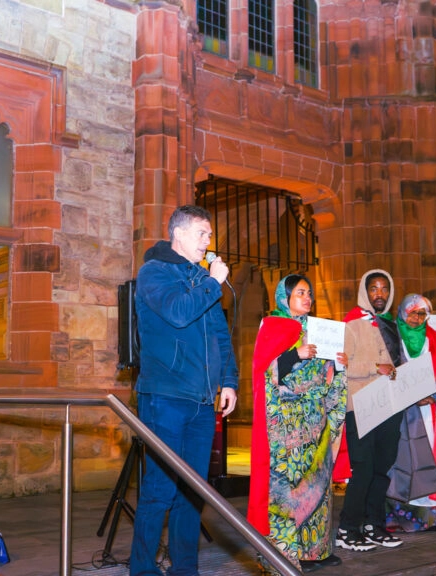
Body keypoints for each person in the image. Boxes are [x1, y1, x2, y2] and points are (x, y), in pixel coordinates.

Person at [131, 205, 238, 576]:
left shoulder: (201, 278)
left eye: (210, 235)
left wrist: (230, 381)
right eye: (202, 234)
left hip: (201, 401)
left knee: (193, 492)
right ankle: (142, 570)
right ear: (178, 233)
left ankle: (185, 570)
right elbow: (177, 312)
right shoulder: (153, 272)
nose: (208, 242)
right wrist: (212, 282)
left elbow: (221, 336)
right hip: (164, 396)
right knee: (159, 488)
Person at [247, 274, 347, 573]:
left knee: (317, 486)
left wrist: (339, 364)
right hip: (286, 428)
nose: (307, 298)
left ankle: (315, 551)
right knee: (289, 491)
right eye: (300, 292)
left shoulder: (318, 329)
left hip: (316, 423)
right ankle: (286, 554)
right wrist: (294, 354)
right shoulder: (273, 326)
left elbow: (328, 379)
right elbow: (263, 372)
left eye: (309, 293)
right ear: (285, 297)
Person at [335, 270, 402, 552]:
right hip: (360, 406)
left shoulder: (391, 325)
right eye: (373, 288)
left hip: (389, 407)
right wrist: (377, 368)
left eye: (384, 289)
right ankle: (347, 528)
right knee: (362, 469)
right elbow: (341, 367)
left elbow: (398, 366)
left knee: (381, 469)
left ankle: (375, 525)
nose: (379, 294)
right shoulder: (350, 324)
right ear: (365, 291)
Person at [384, 294, 436, 532]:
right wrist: (411, 395)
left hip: (432, 410)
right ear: (402, 312)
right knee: (402, 460)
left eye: (421, 314)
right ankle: (400, 515)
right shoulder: (391, 337)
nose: (416, 318)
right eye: (412, 313)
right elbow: (386, 373)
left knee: (433, 458)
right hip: (403, 411)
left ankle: (435, 516)